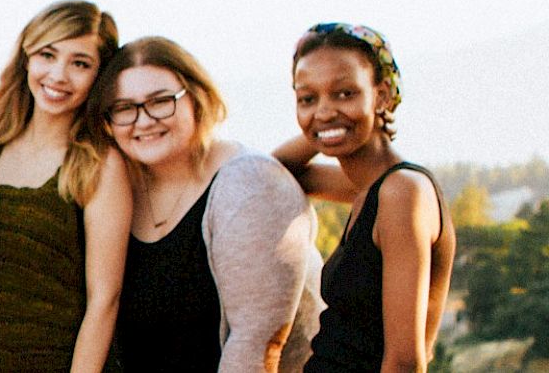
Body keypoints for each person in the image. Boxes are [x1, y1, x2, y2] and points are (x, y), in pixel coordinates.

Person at [97, 37, 321, 372]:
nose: (143, 121)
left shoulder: (249, 185)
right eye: (125, 108)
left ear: (197, 99)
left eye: (160, 101)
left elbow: (257, 347)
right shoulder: (116, 189)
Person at [0, 0, 133, 372]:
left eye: (80, 63)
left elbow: (105, 300)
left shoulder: (99, 163)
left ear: (99, 75)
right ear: (26, 58)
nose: (58, 75)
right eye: (47, 55)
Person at [272, 23, 454, 372]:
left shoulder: (403, 192)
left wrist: (326, 120)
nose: (324, 108)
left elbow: (404, 361)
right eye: (307, 98)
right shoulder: (369, 188)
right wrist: (324, 124)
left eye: (345, 93)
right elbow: (274, 174)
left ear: (382, 95)